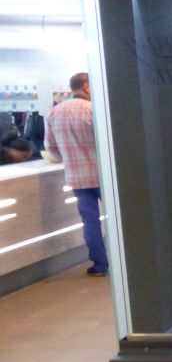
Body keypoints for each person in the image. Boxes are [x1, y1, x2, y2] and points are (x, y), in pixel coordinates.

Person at [44, 72, 109, 276]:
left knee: (90, 223)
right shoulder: (95, 110)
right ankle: (123, 260)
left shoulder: (54, 113)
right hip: (104, 176)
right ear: (87, 86)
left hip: (77, 178)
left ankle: (100, 265)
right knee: (117, 219)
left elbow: (51, 148)